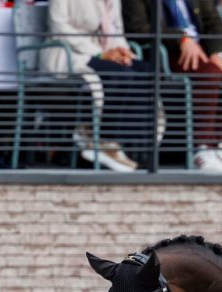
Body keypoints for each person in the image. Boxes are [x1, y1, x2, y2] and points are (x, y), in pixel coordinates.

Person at [121, 0, 222, 173]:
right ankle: (202, 147)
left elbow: (214, 23)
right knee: (210, 73)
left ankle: (219, 145)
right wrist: (181, 39)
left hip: (204, 52)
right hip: (168, 53)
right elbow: (138, 28)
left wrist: (218, 53)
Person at [44, 0, 154, 172]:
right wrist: (100, 53)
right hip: (70, 53)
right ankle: (104, 139)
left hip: (101, 52)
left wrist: (123, 52)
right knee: (120, 74)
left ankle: (134, 149)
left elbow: (115, 30)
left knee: (145, 71)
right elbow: (59, 27)